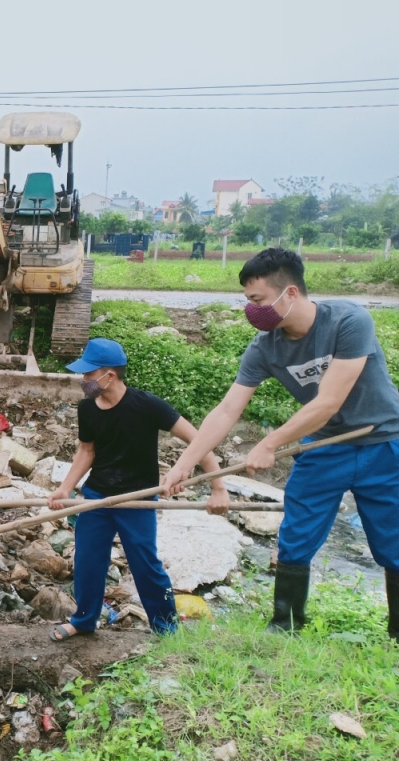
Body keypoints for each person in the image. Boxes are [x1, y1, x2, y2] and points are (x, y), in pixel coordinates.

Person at [164, 247, 399, 641]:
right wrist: (185, 463)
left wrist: (269, 443)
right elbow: (227, 410)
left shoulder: (348, 321)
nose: (253, 310)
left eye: (257, 300)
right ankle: (285, 626)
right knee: (296, 535)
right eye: (248, 302)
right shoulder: (265, 348)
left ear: (289, 293)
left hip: (383, 444)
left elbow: (328, 401)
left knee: (392, 540)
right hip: (323, 449)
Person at [46, 338, 229, 641]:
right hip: (97, 499)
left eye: (88, 375)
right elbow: (87, 451)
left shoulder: (147, 406)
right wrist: (65, 488)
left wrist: (218, 488)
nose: (84, 381)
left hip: (138, 500)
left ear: (110, 375)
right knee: (88, 561)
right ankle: (85, 620)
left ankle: (167, 629)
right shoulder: (87, 408)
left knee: (146, 565)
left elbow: (199, 442)